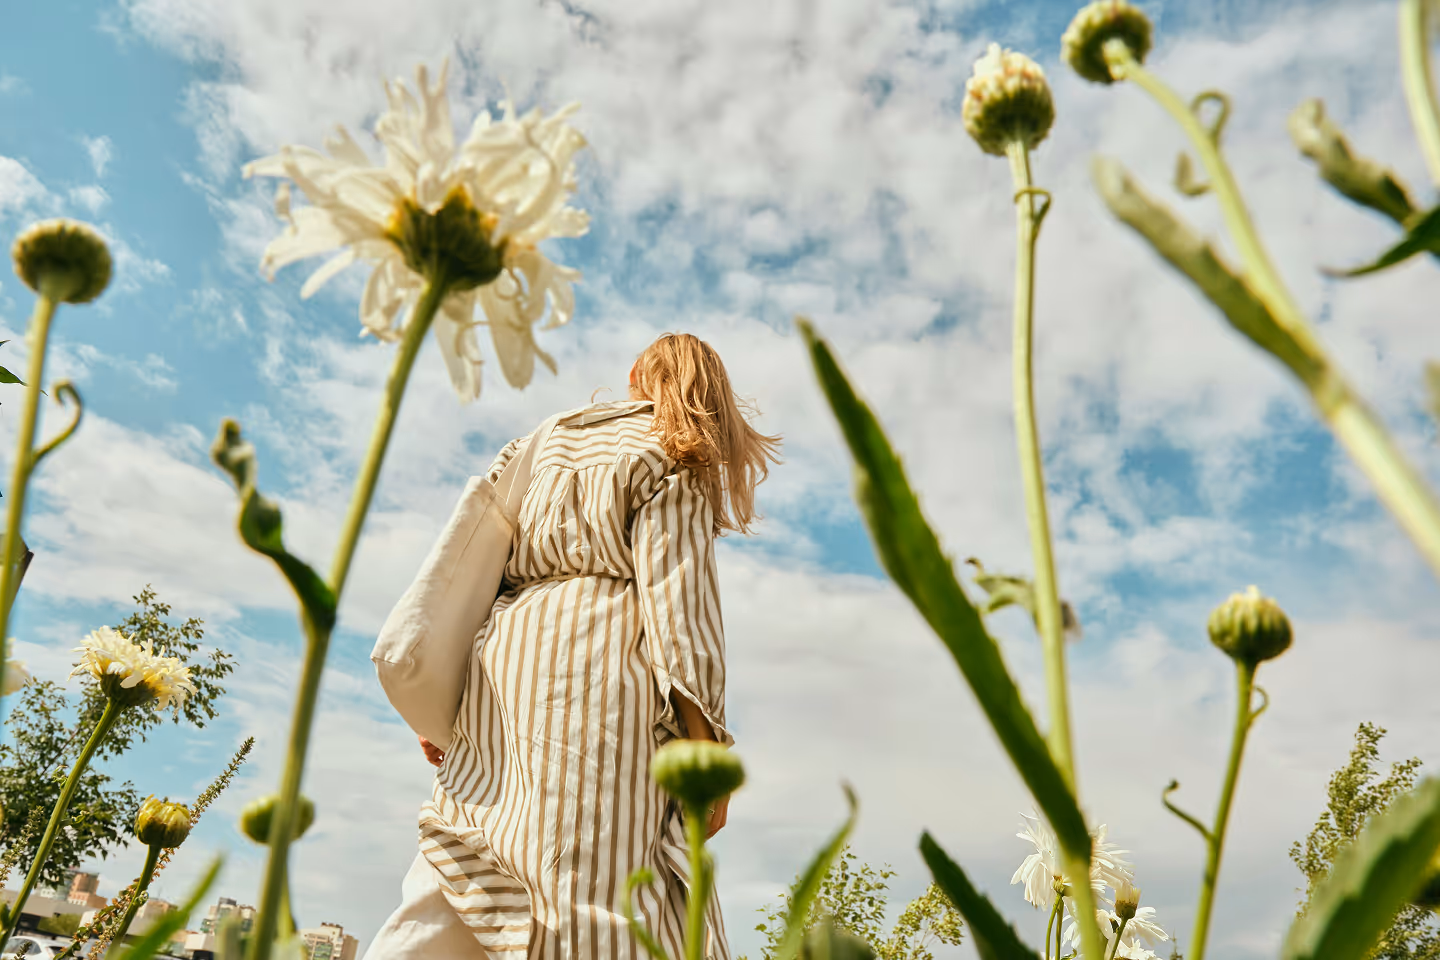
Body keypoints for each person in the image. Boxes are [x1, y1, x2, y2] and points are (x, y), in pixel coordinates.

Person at [366, 333, 781, 960]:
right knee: (597, 892)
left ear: (639, 371)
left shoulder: (545, 437)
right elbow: (681, 611)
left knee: (465, 854)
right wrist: (706, 756)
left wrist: (442, 704)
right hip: (604, 674)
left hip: (502, 660)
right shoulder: (675, 452)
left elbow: (472, 562)